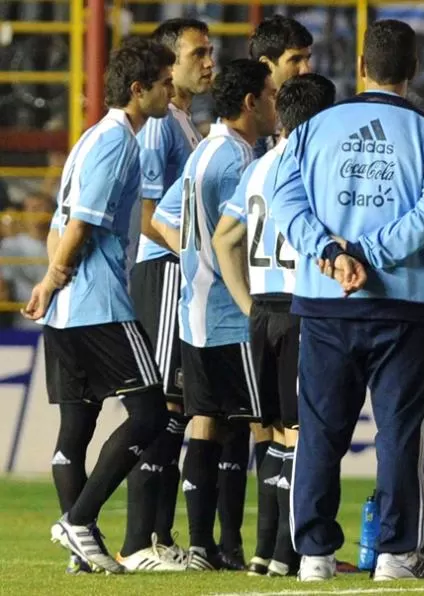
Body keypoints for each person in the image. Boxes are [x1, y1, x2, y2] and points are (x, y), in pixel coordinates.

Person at [272, 19, 424, 582]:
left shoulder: (316, 127)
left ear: (360, 66)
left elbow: (285, 199)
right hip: (403, 307)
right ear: (414, 69)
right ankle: (398, 557)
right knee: (401, 434)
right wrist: (371, 253)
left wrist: (332, 252)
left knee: (321, 430)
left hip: (326, 302)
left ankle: (314, 555)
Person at [23, 37, 175, 574]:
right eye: (164, 83)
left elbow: (60, 222)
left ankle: (80, 551)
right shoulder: (119, 144)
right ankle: (80, 521)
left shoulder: (90, 139)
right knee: (151, 411)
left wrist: (50, 279)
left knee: (76, 428)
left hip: (69, 309)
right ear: (139, 90)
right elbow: (81, 224)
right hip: (98, 303)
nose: (171, 92)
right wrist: (55, 277)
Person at [151, 58, 278, 571]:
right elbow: (241, 239)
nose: (274, 103)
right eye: (269, 95)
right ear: (250, 102)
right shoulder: (240, 164)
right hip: (232, 311)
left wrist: (194, 265)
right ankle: (270, 550)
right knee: (264, 424)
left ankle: (207, 545)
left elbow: (164, 219)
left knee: (207, 421)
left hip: (195, 309)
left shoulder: (204, 150)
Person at [212, 72, 336, 578]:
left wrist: (247, 306)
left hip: (262, 309)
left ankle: (267, 552)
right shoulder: (315, 164)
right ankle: (290, 552)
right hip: (299, 304)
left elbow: (225, 238)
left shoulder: (260, 166)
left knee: (276, 434)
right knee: (303, 434)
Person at [122, 18, 213, 572]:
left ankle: (157, 535)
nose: (208, 62)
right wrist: (197, 257)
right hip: (164, 273)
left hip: (175, 274)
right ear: (169, 62)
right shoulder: (160, 128)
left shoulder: (182, 121)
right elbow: (152, 217)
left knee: (174, 410)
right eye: (198, 53)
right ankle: (138, 542)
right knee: (159, 407)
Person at [250, 14, 313, 158]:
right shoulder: (248, 120)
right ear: (266, 65)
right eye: (295, 60)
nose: (306, 69)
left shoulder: (312, 113)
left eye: (307, 59)